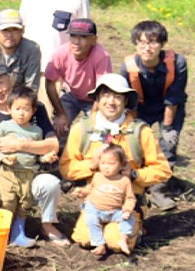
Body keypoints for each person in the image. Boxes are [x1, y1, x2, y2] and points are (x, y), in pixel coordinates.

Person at [0, 61, 68, 246]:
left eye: (0, 82)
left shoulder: (34, 108)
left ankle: (46, 225)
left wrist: (20, 145)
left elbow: (53, 145)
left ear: (10, 80)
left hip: (28, 173)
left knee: (50, 184)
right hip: (0, 175)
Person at [60, 74, 173, 226]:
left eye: (117, 97)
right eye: (106, 95)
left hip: (128, 205)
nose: (111, 102)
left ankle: (135, 228)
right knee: (86, 238)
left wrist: (134, 174)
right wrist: (91, 165)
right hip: (94, 204)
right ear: (97, 99)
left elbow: (163, 170)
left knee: (115, 240)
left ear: (126, 101)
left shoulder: (140, 132)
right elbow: (66, 168)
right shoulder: (81, 129)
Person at [118, 20, 187, 211]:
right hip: (140, 107)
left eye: (153, 42)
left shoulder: (178, 63)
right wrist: (133, 128)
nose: (147, 48)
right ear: (135, 44)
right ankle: (138, 186)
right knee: (135, 145)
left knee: (167, 146)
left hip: (170, 108)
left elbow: (174, 98)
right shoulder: (128, 67)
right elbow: (128, 101)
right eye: (142, 42)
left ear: (162, 44)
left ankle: (159, 191)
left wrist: (166, 129)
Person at [20, 0, 90, 111]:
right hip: (29, 66)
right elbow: (21, 26)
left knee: (52, 118)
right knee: (24, 115)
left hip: (58, 70)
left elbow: (85, 35)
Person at [0, 87, 56, 248]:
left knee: (25, 202)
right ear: (9, 109)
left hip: (28, 174)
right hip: (9, 172)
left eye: (26, 109)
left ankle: (18, 232)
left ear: (33, 111)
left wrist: (45, 157)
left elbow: (36, 156)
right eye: (17, 109)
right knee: (7, 201)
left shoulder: (37, 131)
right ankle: (2, 232)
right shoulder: (4, 127)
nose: (21, 113)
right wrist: (3, 159)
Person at [44, 18, 112, 139]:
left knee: (99, 130)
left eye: (83, 37)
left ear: (94, 40)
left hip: (95, 98)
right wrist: (60, 113)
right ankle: (60, 154)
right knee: (58, 127)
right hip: (72, 95)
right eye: (73, 36)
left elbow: (103, 90)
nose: (76, 41)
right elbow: (50, 83)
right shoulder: (60, 53)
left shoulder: (101, 56)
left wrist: (95, 117)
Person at [72, 145, 136, 255]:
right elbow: (90, 189)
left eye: (111, 164)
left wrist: (127, 210)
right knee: (91, 220)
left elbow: (130, 198)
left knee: (130, 219)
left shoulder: (124, 180)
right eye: (103, 163)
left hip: (115, 211)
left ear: (122, 165)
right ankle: (99, 244)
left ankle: (123, 239)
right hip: (95, 208)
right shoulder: (97, 176)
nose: (106, 167)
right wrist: (82, 192)